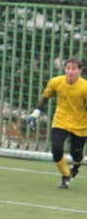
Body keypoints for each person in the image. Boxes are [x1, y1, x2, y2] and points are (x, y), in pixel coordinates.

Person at [26, 57, 87, 189]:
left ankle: (76, 165)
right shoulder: (55, 82)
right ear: (65, 69)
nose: (71, 72)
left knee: (76, 153)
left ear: (79, 71)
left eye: (74, 69)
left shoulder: (85, 87)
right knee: (56, 149)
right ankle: (66, 176)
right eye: (68, 68)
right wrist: (34, 114)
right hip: (61, 121)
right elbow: (45, 98)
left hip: (81, 125)